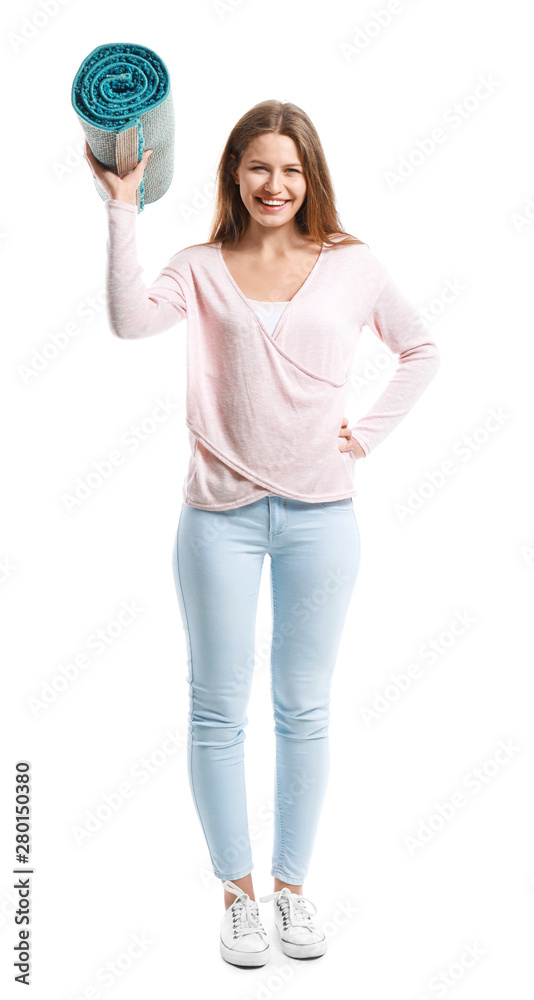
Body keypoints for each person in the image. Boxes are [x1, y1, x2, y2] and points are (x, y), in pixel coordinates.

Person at [84, 99, 440, 968]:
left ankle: (292, 892)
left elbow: (421, 348)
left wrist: (367, 432)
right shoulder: (200, 266)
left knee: (304, 708)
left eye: (291, 169)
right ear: (233, 176)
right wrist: (122, 208)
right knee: (216, 709)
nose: (274, 184)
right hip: (219, 519)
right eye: (258, 168)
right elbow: (130, 321)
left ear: (310, 176)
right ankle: (238, 898)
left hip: (323, 516)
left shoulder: (351, 266)